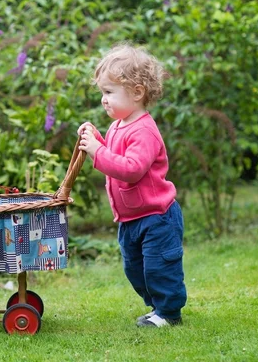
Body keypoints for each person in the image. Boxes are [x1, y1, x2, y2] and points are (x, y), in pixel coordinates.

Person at [78, 43, 187, 327]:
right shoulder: (118, 125)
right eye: (103, 92)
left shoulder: (144, 130)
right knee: (135, 268)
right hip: (131, 218)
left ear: (137, 92)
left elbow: (132, 169)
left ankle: (169, 312)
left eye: (109, 92)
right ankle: (157, 307)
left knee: (160, 267)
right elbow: (115, 158)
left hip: (156, 218)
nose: (104, 99)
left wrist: (96, 152)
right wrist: (97, 141)